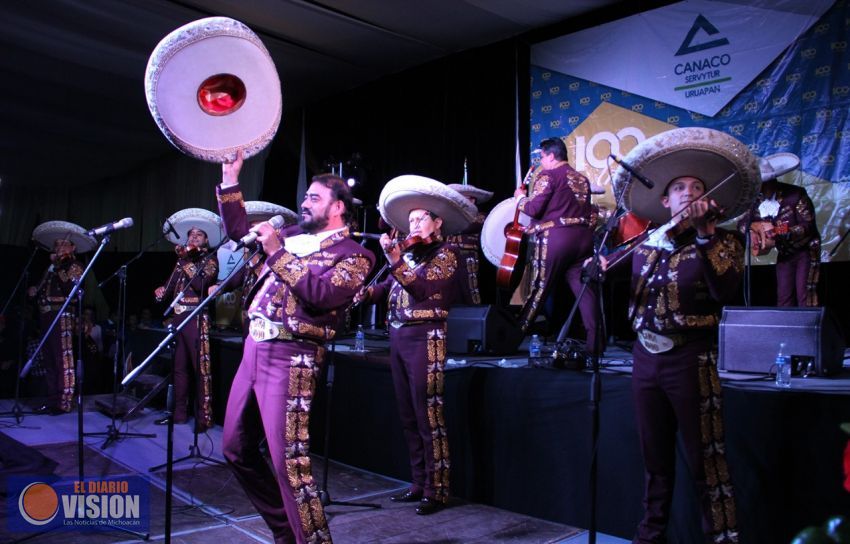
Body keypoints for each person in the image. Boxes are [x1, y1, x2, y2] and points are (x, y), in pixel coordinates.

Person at [603, 127, 759, 544]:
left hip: (692, 360)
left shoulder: (722, 239)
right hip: (645, 360)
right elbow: (602, 277)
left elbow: (727, 291)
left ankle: (721, 538)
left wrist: (706, 234)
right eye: (678, 187)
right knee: (654, 459)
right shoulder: (648, 243)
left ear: (708, 200)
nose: (687, 192)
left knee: (706, 459)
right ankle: (650, 536)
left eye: (696, 187)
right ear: (665, 200)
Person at [218, 151, 375, 544]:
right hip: (255, 347)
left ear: (338, 208)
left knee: (290, 463)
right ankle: (287, 533)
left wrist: (276, 253)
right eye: (305, 197)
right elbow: (240, 232)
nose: (305, 203)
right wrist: (230, 178)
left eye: (315, 198)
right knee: (235, 448)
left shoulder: (355, 256)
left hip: (292, 357)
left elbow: (321, 295)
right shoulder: (290, 235)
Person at [356, 175, 476, 515]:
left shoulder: (448, 253)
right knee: (408, 416)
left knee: (429, 415)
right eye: (409, 222)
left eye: (419, 219)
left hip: (426, 336)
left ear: (437, 223)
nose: (413, 226)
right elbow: (391, 289)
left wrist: (394, 261)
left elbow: (421, 289)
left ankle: (437, 490)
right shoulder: (408, 256)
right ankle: (418, 482)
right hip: (399, 336)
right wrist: (366, 292)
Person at [513, 137, 598, 353]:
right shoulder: (581, 178)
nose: (541, 162)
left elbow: (534, 209)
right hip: (583, 239)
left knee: (539, 287)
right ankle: (595, 342)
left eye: (542, 157)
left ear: (551, 156)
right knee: (584, 290)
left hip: (557, 238)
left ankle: (513, 336)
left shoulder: (548, 175)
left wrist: (520, 198)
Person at [153, 215, 220, 429]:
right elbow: (171, 285)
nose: (194, 238)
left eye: (199, 235)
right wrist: (161, 291)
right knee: (179, 369)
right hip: (179, 317)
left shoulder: (209, 260)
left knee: (201, 368)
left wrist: (185, 261)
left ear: (206, 240)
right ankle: (179, 414)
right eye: (191, 235)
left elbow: (201, 283)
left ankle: (204, 418)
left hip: (196, 317)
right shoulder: (182, 261)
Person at [27, 223, 94, 414]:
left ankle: (64, 401)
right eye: (57, 245)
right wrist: (34, 290)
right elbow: (41, 288)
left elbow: (70, 289)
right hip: (46, 314)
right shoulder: (51, 267)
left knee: (62, 359)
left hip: (62, 314)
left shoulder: (75, 265)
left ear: (72, 248)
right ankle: (51, 398)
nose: (59, 248)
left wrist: (58, 266)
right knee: (48, 358)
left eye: (64, 244)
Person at [738, 153, 821, 307]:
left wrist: (780, 232)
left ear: (770, 181)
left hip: (806, 250)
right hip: (784, 252)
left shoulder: (796, 194)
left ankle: (807, 329)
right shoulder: (757, 201)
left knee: (805, 295)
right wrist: (752, 227)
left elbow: (807, 226)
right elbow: (742, 224)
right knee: (784, 296)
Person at [212, 201, 298, 335]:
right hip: (248, 315)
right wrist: (220, 287)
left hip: (269, 320)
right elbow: (238, 277)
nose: (255, 233)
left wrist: (256, 262)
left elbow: (272, 280)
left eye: (259, 228)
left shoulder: (282, 253)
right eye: (252, 228)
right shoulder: (252, 252)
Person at [446, 183, 492, 305]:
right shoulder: (444, 217)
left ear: (472, 200)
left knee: (469, 290)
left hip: (468, 259)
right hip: (446, 256)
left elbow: (463, 226)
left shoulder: (481, 217)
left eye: (463, 199)